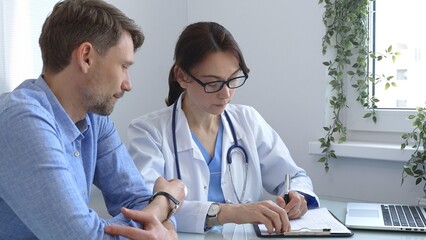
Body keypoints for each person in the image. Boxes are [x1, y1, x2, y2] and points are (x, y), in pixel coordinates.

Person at [0, 0, 186, 239]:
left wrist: (164, 224)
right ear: (86, 57)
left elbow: (138, 198)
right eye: (123, 66)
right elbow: (85, 237)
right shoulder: (22, 119)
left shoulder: (94, 119)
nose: (128, 84)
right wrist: (164, 203)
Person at [127, 21, 319, 234]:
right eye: (213, 83)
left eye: (233, 79)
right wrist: (232, 213)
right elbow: (147, 207)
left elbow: (294, 176)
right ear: (182, 76)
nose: (226, 93)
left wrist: (295, 195)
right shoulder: (148, 132)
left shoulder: (248, 119)